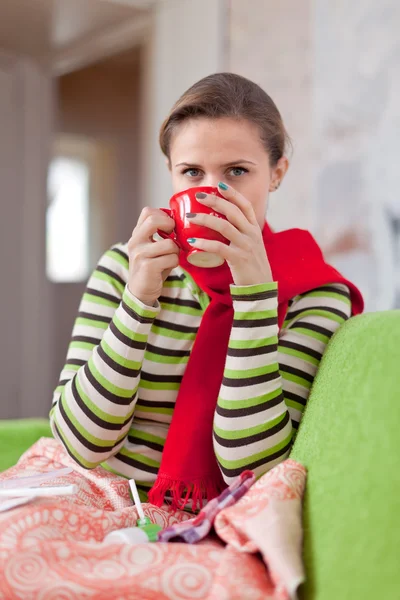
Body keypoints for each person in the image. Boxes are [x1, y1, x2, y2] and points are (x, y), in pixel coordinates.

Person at [49, 73, 363, 510]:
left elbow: (252, 469)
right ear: (171, 175)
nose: (211, 194)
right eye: (192, 172)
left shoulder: (316, 291)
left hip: (224, 514)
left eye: (236, 172)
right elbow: (80, 445)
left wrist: (254, 296)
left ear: (276, 173)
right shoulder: (125, 265)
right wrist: (137, 301)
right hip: (105, 497)